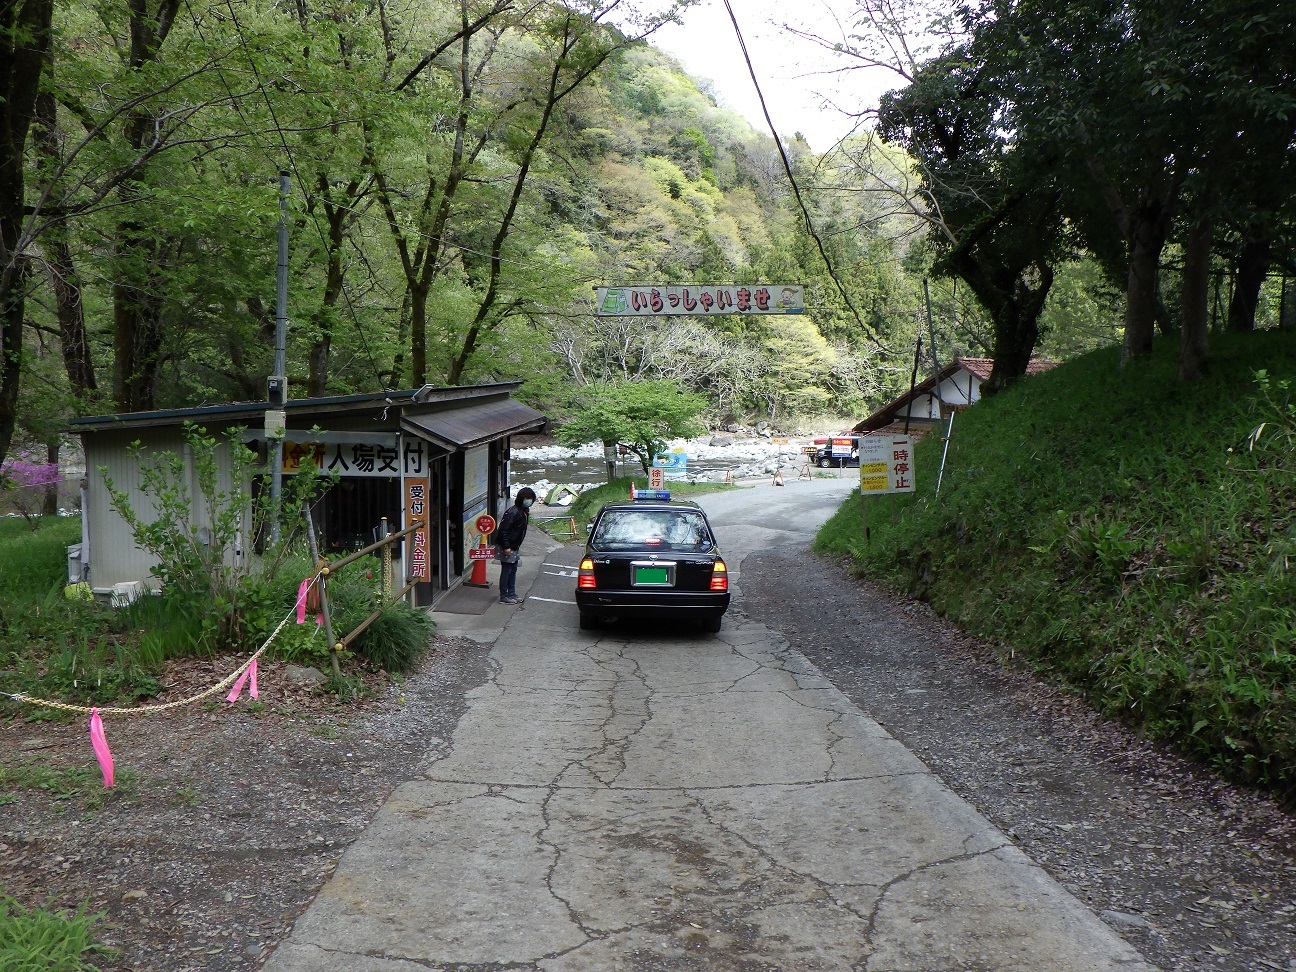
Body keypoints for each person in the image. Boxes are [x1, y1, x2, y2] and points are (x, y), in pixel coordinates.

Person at [494, 486, 536, 604]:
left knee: (512, 570)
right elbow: (503, 530)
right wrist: (506, 546)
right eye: (527, 498)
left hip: (514, 546)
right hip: (508, 546)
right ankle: (504, 595)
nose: (529, 501)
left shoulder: (523, 511)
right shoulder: (514, 512)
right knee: (507, 570)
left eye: (531, 498)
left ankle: (511, 594)